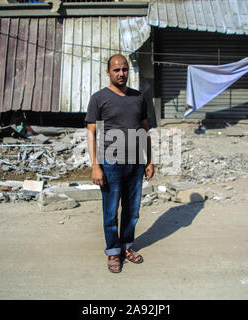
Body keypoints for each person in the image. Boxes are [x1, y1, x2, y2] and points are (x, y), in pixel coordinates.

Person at [85, 54, 154, 273]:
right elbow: (91, 133)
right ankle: (113, 252)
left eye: (124, 69)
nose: (121, 73)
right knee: (111, 211)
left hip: (135, 164)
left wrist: (149, 160)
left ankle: (126, 246)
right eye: (116, 70)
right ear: (108, 73)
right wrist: (95, 166)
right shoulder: (99, 98)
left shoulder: (138, 97)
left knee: (132, 212)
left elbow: (145, 131)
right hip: (111, 163)